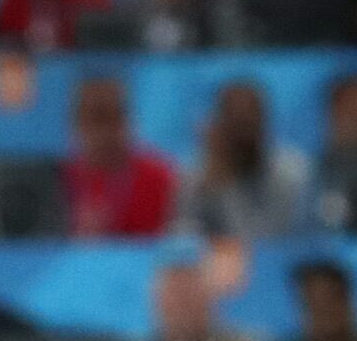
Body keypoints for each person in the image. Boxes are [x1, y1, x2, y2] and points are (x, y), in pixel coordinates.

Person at [184, 80, 309, 240]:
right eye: (236, 119)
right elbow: (185, 237)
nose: (244, 131)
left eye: (250, 119)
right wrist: (214, 179)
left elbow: (266, 237)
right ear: (221, 122)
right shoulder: (198, 172)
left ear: (263, 120)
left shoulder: (292, 171)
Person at [61, 74, 175, 238]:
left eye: (116, 117)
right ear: (77, 122)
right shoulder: (62, 179)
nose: (107, 131)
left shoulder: (161, 177)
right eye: (97, 118)